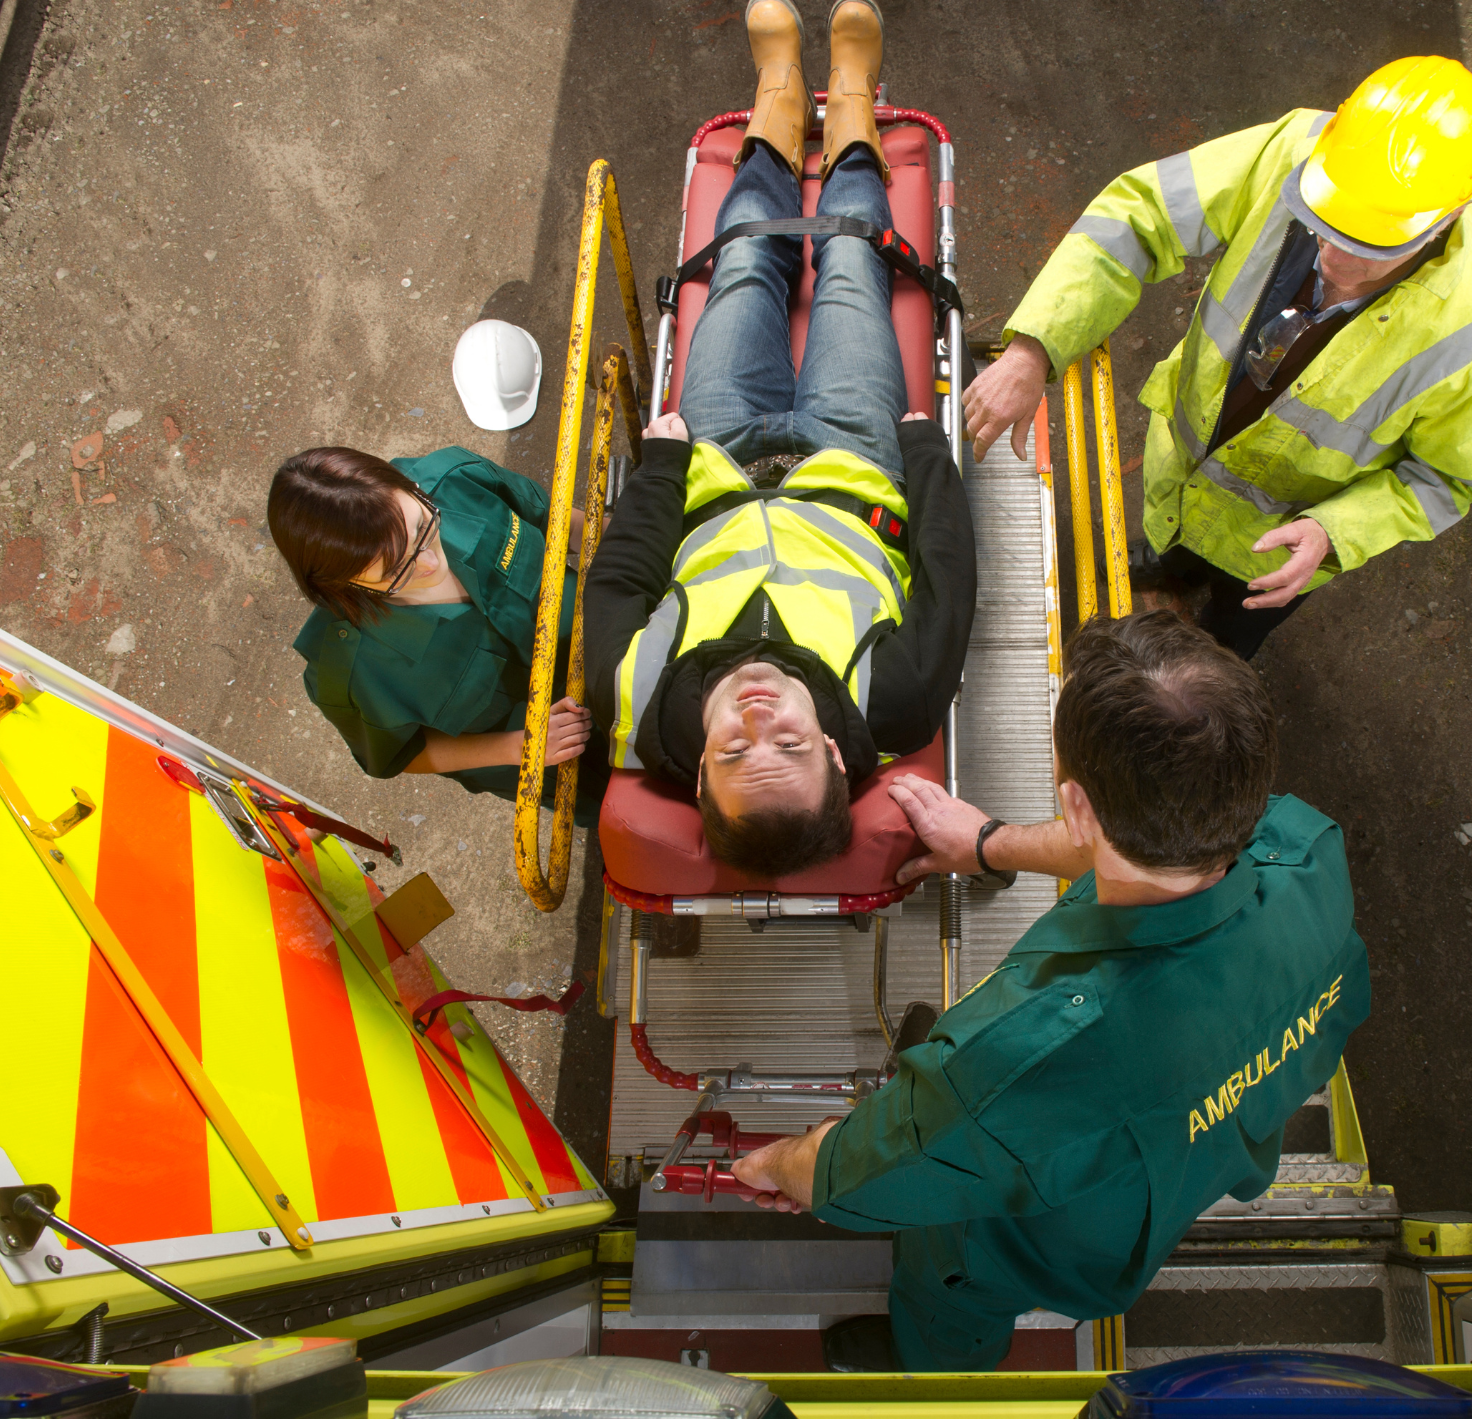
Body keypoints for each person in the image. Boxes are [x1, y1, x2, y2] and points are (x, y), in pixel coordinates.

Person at [730, 611, 1370, 1372]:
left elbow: (855, 1173)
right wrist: (987, 844)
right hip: (1197, 1162)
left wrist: (781, 1163)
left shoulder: (1028, 1056)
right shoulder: (1309, 854)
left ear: (1076, 808)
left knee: (952, 1293)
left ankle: (935, 1368)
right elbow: (1158, 842)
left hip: (1030, 1244)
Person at [584, 0, 975, 876]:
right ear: (834, 752)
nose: (757, 716)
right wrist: (925, 456)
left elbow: (620, 577)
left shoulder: (635, 700)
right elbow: (949, 573)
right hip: (852, 456)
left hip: (718, 457)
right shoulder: (896, 701)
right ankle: (853, 107)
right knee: (850, 264)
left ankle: (777, 103)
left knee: (744, 264)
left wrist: (663, 466)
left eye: (732, 750)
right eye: (791, 746)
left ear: (698, 777)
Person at [963, 56, 1472, 660]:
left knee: (1224, 644)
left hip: (1275, 549)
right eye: (1322, 220)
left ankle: (1220, 641)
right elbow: (1140, 214)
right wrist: (1033, 347)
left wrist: (1335, 532)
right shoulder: (1298, 148)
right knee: (1169, 546)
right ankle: (1169, 562)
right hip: (1183, 472)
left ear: (1447, 218)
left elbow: (1447, 480)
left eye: (1369, 245)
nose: (1331, 257)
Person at [269, 444, 607, 826]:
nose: (430, 562)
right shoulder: (350, 675)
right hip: (561, 755)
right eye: (395, 571)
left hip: (613, 641)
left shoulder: (456, 479)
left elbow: (561, 522)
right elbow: (402, 754)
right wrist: (521, 746)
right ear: (339, 584)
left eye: (422, 528)